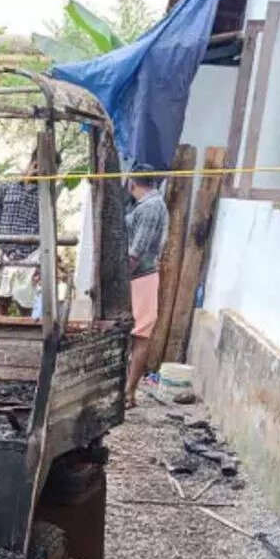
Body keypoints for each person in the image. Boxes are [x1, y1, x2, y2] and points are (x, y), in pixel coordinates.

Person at [124, 173, 168, 407]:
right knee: (135, 334)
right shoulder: (149, 204)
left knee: (140, 334)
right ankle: (126, 390)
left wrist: (122, 277)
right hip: (139, 275)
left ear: (132, 183)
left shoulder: (150, 207)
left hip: (139, 276)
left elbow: (137, 249)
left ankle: (129, 393)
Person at [0, 150, 42, 315]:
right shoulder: (6, 186)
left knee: (27, 305)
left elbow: (48, 227)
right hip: (4, 251)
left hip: (30, 254)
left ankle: (29, 340)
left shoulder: (45, 192)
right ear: (35, 164)